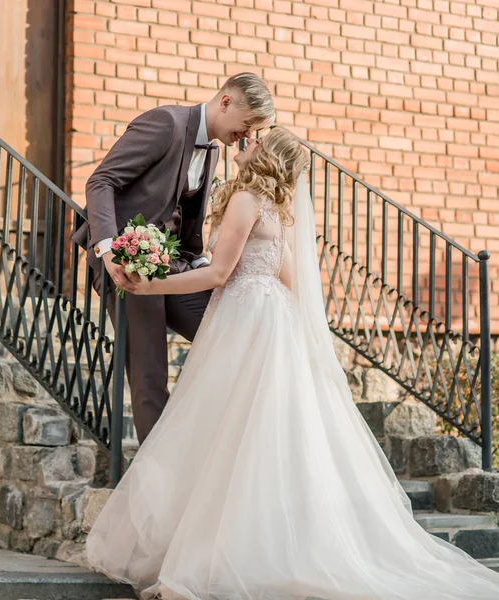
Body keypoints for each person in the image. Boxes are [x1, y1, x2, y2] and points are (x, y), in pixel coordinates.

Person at [87, 128, 499, 600]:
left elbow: (220, 274)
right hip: (272, 320)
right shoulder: (278, 210)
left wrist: (149, 286)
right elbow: (289, 275)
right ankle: (252, 548)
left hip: (246, 321)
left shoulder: (246, 199)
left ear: (264, 156)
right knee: (253, 438)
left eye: (255, 141)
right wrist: (304, 339)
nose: (245, 142)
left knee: (228, 435)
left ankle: (213, 560)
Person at [71, 73, 275, 444]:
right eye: (248, 125)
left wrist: (200, 264)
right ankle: (154, 483)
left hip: (174, 267)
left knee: (225, 336)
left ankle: (218, 448)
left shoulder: (211, 151)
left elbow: (185, 220)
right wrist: (107, 249)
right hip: (127, 265)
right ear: (226, 102)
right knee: (149, 373)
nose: (247, 137)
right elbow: (101, 182)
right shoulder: (166, 123)